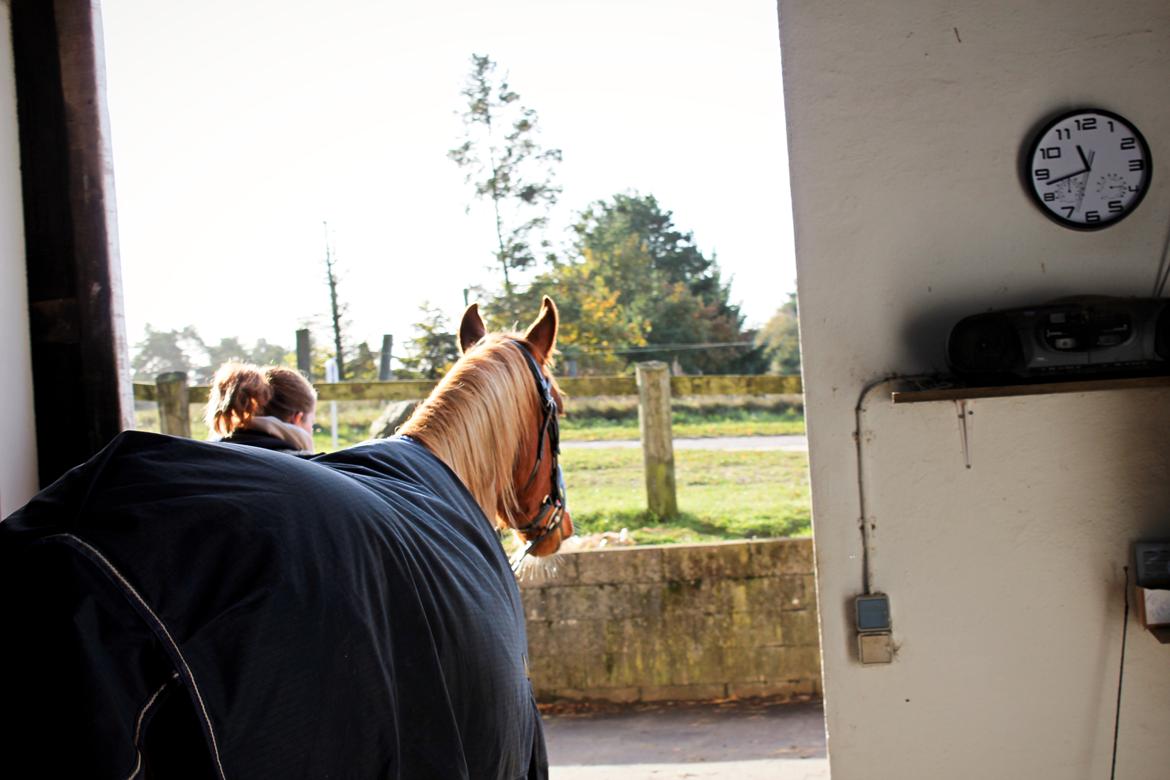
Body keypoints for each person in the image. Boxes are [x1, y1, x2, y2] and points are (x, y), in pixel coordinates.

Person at [204, 362, 317, 454]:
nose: (311, 431)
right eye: (311, 423)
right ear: (296, 418)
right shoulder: (308, 469)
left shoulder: (207, 455)